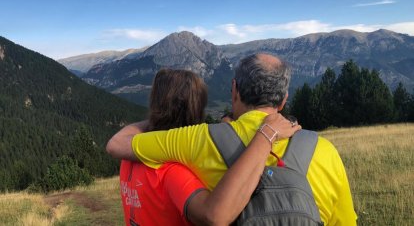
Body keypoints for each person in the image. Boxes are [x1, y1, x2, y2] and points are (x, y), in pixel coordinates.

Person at [107, 54, 357, 225]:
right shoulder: (325, 151)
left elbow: (118, 144)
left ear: (234, 90)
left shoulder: (197, 139)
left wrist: (157, 118)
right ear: (283, 101)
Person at [114, 68, 301, 226]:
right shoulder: (173, 171)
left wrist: (159, 117)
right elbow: (214, 215)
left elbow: (119, 139)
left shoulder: (128, 160)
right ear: (197, 107)